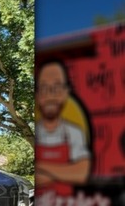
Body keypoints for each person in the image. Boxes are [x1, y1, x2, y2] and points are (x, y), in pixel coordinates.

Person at [35, 60, 91, 195]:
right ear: (37, 94)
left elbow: (82, 173)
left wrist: (41, 166)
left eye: (57, 87)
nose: (50, 95)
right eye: (44, 88)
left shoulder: (74, 132)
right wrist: (65, 172)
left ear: (66, 92)